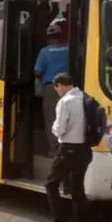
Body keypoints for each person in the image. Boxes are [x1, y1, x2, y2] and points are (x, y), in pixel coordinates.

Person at [44, 73, 93, 222]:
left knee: (51, 184)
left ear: (61, 85)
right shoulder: (84, 97)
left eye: (56, 87)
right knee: (78, 190)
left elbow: (60, 129)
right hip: (85, 150)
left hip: (68, 149)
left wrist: (53, 129)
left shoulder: (65, 102)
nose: (57, 91)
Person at [34, 17, 69, 157]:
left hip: (51, 88)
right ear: (60, 36)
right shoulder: (68, 49)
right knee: (66, 118)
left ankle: (54, 150)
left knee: (51, 119)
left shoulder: (45, 51)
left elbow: (37, 71)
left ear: (48, 37)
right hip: (68, 88)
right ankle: (66, 148)